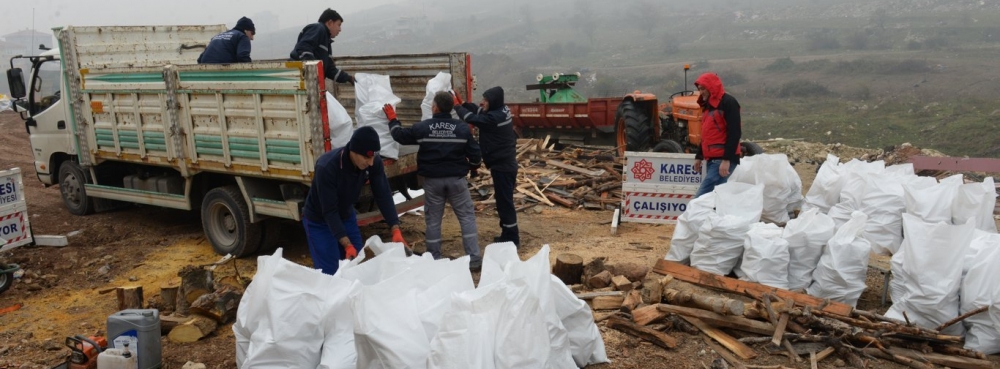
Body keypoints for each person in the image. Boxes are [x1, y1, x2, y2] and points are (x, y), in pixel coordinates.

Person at [382, 91, 484, 269]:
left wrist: (392, 119)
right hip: (456, 181)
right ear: (451, 107)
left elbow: (399, 136)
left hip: (433, 182)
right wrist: (472, 167)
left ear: (435, 107)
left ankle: (433, 259)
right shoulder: (461, 128)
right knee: (467, 218)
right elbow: (476, 156)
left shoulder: (424, 127)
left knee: (433, 221)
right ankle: (474, 259)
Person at [301, 126, 408, 275]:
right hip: (319, 221)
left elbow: (383, 194)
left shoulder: (373, 163)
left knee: (356, 266)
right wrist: (346, 244)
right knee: (330, 273)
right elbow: (329, 211)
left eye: (372, 157)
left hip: (345, 215)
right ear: (353, 151)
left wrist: (395, 228)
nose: (370, 163)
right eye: (366, 157)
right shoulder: (327, 167)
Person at [454, 87, 520, 247]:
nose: (482, 103)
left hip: (503, 167)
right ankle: (507, 235)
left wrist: (456, 107)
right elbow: (479, 111)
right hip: (504, 165)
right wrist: (464, 103)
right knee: (503, 202)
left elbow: (472, 118)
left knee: (505, 203)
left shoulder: (494, 118)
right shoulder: (500, 110)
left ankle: (512, 239)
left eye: (486, 100)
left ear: (494, 102)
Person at [692, 72, 742, 198]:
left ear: (711, 87)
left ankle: (690, 217)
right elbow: (707, 134)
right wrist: (699, 155)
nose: (701, 92)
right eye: (699, 89)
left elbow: (735, 132)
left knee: (701, 198)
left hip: (721, 159)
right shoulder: (708, 106)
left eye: (703, 88)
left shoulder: (729, 103)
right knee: (714, 199)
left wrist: (726, 160)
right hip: (712, 160)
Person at [289, 8, 355, 85]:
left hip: (309, 81)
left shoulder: (326, 42)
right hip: (297, 77)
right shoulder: (319, 28)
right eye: (339, 25)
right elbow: (303, 47)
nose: (340, 29)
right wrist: (314, 68)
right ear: (330, 23)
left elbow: (330, 70)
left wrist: (349, 78)